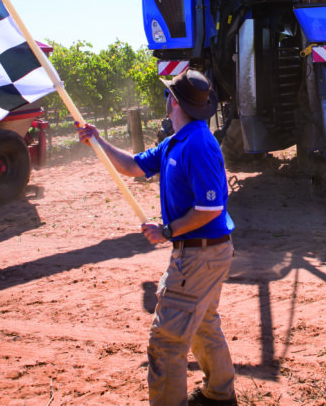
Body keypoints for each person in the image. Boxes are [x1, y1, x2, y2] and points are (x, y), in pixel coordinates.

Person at [77, 69, 237, 406]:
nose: (165, 99)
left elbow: (210, 208)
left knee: (165, 342)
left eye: (168, 94)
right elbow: (133, 166)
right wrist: (96, 140)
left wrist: (168, 231)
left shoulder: (198, 144)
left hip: (199, 256)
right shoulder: (176, 142)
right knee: (204, 324)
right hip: (204, 253)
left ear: (174, 102)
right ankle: (219, 394)